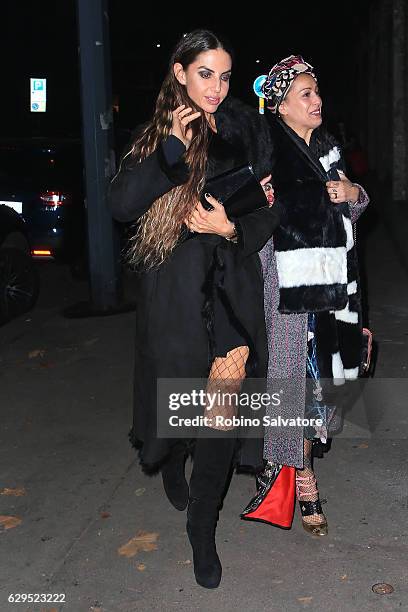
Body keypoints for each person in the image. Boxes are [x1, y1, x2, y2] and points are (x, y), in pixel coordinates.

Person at [108, 30, 279, 588]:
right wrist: (171, 154)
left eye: (225, 75)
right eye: (206, 73)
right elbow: (121, 205)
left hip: (231, 287)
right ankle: (173, 456)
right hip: (176, 295)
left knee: (221, 411)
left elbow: (270, 212)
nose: (216, 86)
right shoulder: (152, 138)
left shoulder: (244, 131)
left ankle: (202, 529)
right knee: (182, 402)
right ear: (180, 73)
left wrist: (231, 226)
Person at [248, 55, 369, 536]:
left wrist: (352, 192)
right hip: (284, 289)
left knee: (314, 390)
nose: (317, 101)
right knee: (290, 388)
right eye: (305, 94)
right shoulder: (265, 151)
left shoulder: (329, 148)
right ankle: (305, 484)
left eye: (317, 92)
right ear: (279, 105)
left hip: (331, 289)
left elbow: (356, 211)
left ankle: (296, 471)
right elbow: (249, 218)